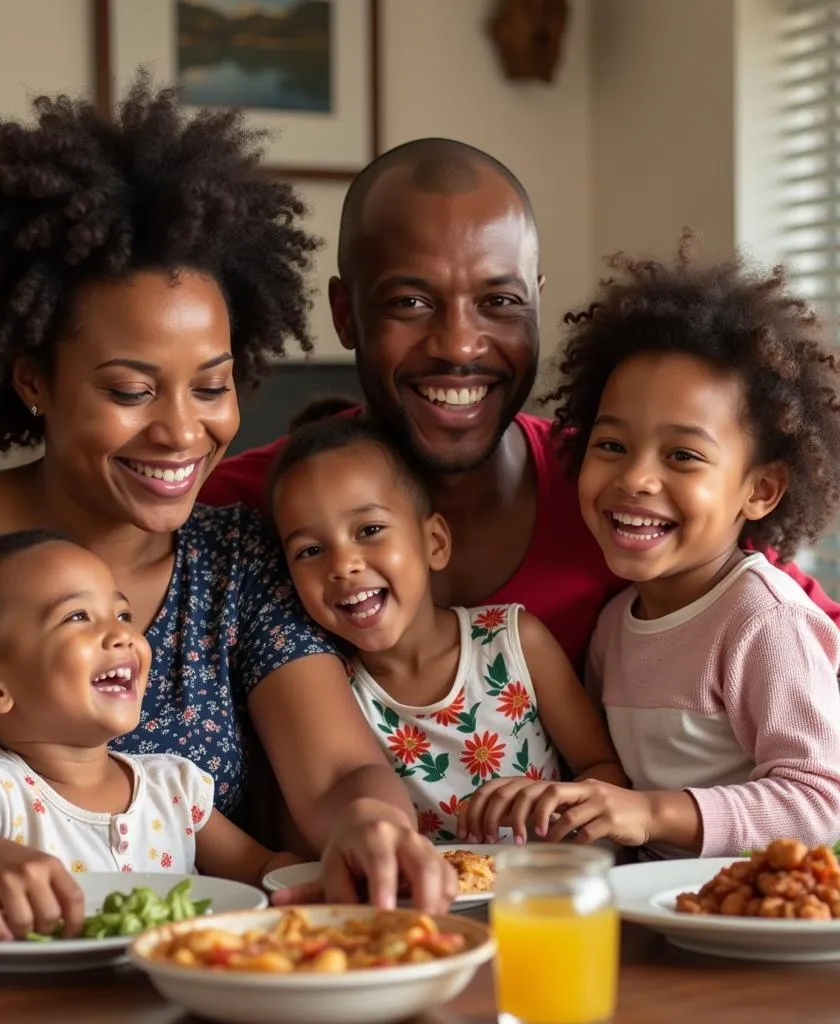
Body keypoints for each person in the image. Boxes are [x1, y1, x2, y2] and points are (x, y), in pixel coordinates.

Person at [0, 77, 455, 914]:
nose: (183, 433)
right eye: (131, 391)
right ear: (34, 380)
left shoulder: (239, 556)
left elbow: (336, 774)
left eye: (213, 386)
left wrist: (373, 823)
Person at [199, 138, 840, 669]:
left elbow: (807, 640)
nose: (458, 345)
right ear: (346, 315)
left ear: (535, 302)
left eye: (498, 302)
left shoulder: (628, 497)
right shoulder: (241, 508)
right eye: (411, 303)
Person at [470, 242, 840, 858]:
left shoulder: (763, 620)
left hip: (758, 927)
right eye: (611, 445)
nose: (636, 479)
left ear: (761, 489)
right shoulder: (615, 625)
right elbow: (606, 786)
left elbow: (821, 800)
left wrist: (651, 813)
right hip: (655, 915)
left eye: (683, 456)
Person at [0, 531, 301, 940]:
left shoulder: (173, 788)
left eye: (123, 613)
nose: (122, 634)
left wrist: (322, 875)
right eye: (78, 616)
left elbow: (261, 869)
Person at [267, 416, 627, 846]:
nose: (343, 565)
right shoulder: (329, 695)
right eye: (310, 550)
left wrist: (553, 802)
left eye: (369, 530)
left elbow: (604, 771)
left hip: (538, 899)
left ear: (434, 542)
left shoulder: (513, 642)